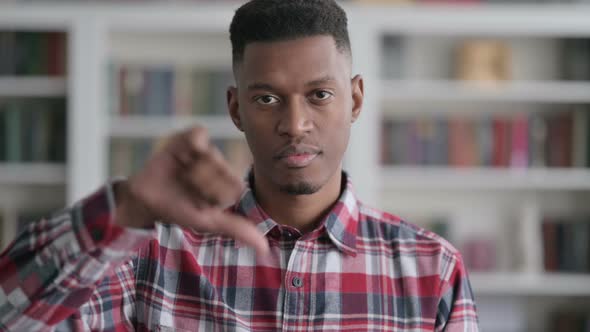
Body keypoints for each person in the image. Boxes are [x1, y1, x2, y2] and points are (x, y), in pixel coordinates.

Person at [0, 0, 479, 331]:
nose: (295, 124)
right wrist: (127, 208)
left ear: (354, 99)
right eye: (267, 98)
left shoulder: (430, 269)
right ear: (236, 109)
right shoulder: (153, 253)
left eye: (320, 95)